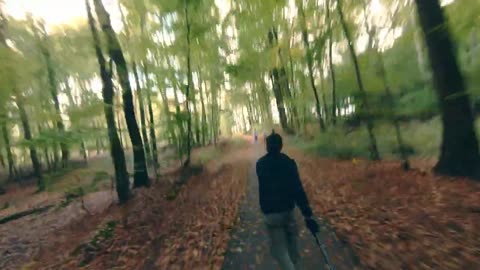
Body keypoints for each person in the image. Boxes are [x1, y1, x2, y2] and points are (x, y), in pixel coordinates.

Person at [256, 131, 319, 270]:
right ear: (281, 146)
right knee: (292, 246)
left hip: (272, 214)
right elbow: (298, 189)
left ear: (267, 147)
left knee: (280, 251)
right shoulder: (289, 163)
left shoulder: (260, 164)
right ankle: (293, 264)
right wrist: (307, 213)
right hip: (288, 211)